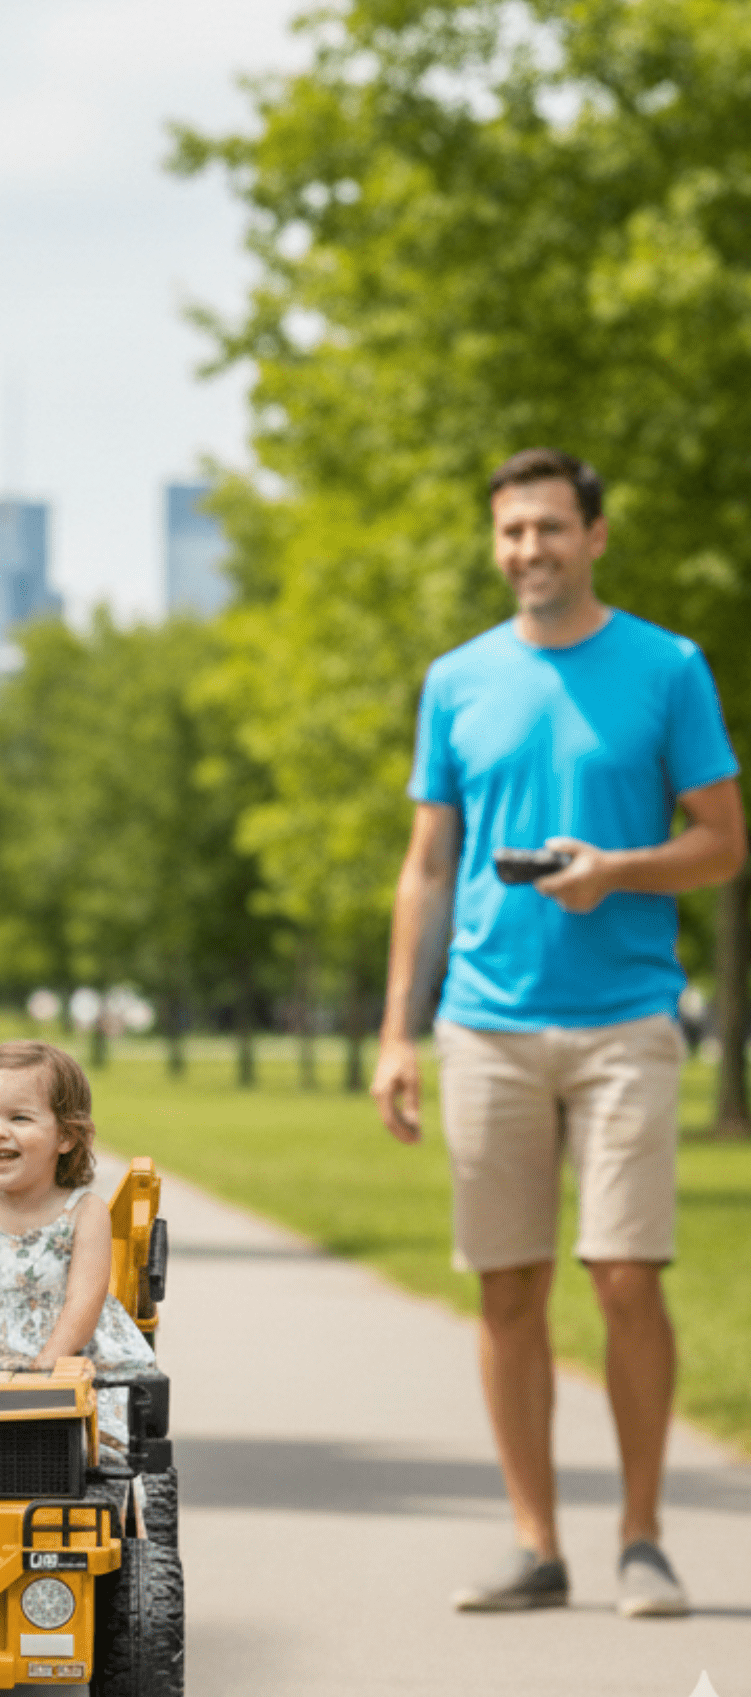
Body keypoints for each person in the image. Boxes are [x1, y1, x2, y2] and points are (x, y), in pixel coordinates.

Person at [371, 449, 745, 1619]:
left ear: (593, 534)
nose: (526, 548)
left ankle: (640, 1535)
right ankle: (536, 1541)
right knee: (507, 1288)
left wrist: (616, 870)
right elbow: (426, 863)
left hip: (625, 1017)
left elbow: (723, 841)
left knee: (623, 1273)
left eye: (546, 527)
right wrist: (394, 1031)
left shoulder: (666, 666)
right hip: (482, 1024)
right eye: (508, 532)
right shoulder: (455, 678)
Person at [0, 1041, 155, 1454]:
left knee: (92, 1457)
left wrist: (48, 1367)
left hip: (71, 1356)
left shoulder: (85, 1212)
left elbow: (83, 1302)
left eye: (19, 1117)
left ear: (67, 1136)